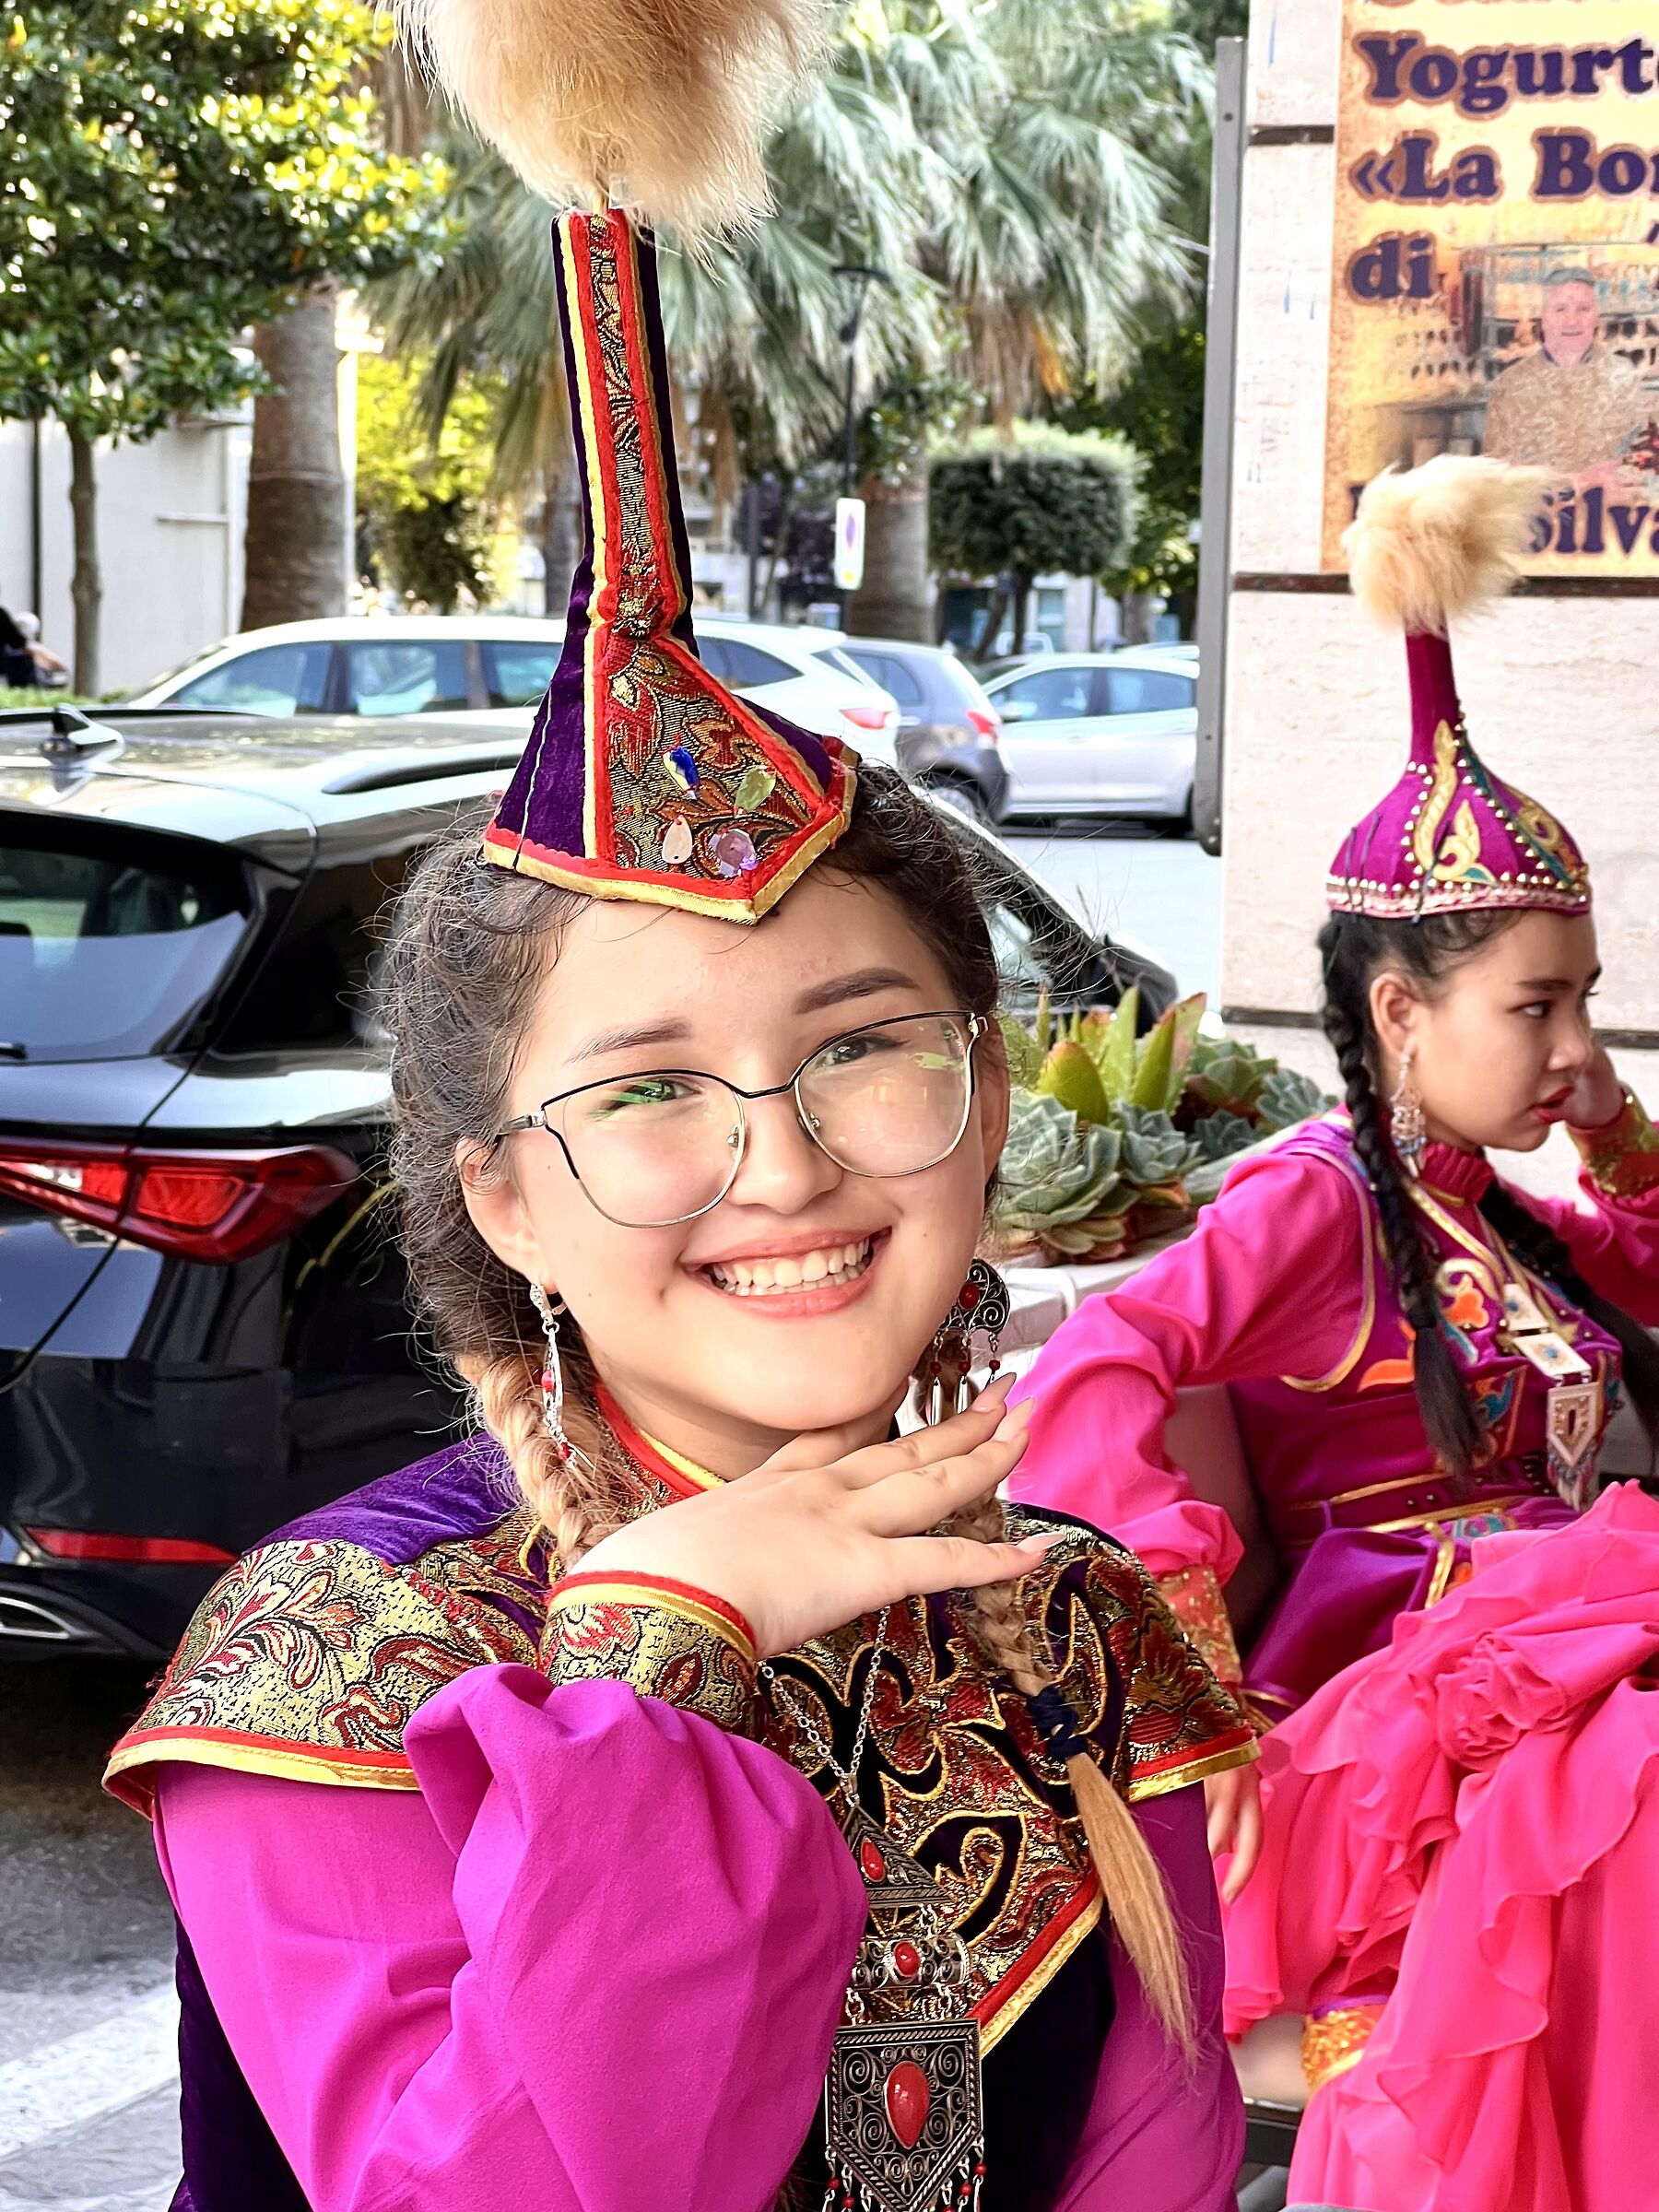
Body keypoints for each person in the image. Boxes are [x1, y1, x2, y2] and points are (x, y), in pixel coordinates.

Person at [101, 11, 1256, 2208]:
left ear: (990, 1091)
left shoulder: (1064, 1612)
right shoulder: (346, 1660)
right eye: (645, 1085)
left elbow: (1155, 2157)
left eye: (860, 1044)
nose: (785, 1157)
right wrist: (655, 1645)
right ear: (507, 1192)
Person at [1008, 453, 1659, 2212]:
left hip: (1546, 1664)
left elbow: (1649, 1280)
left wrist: (1601, 1124)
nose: (1570, 1037)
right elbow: (1098, 1364)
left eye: (1583, 999)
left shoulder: (1492, 1203)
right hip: (1391, 1724)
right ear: (1400, 1011)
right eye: (1540, 1005)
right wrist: (1178, 1630)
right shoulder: (1317, 1198)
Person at [1482, 267, 1650, 495]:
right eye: (1560, 309)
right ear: (1543, 318)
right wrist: (1576, 483)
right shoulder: (1511, 386)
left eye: (1584, 309)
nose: (1572, 320)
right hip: (1541, 523)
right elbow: (1496, 479)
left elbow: (1644, 459)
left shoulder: (1623, 377)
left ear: (1596, 317)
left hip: (1609, 520)